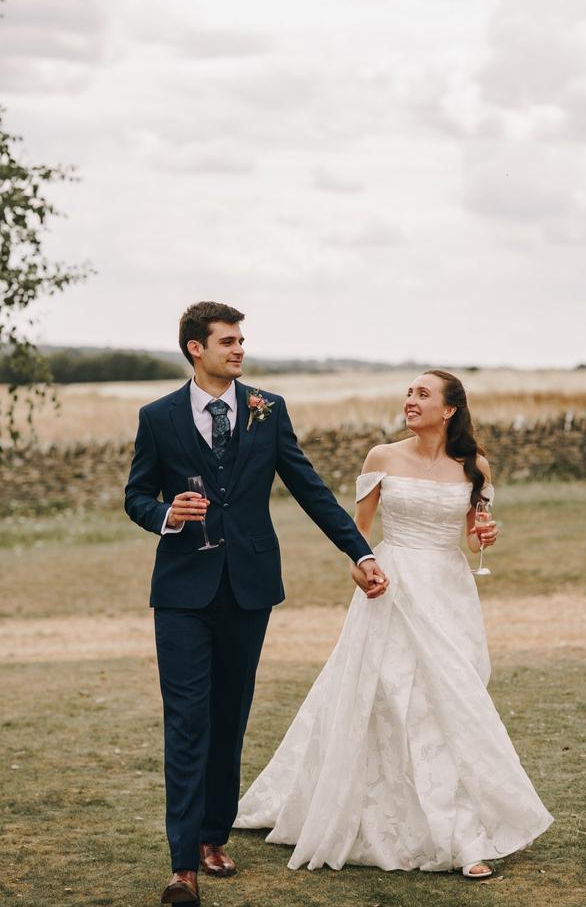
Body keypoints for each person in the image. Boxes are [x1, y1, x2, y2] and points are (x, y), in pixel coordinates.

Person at [234, 370, 553, 878]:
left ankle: (460, 833)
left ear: (448, 410)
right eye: (408, 392)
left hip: (448, 594)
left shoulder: (475, 467)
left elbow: (475, 540)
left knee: (449, 704)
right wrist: (360, 570)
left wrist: (486, 532)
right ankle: (405, 823)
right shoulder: (382, 458)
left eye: (422, 394)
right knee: (386, 695)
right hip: (392, 585)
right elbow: (356, 533)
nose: (410, 400)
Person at [124, 301, 389, 906]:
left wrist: (361, 552)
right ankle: (182, 865)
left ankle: (215, 835)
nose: (239, 349)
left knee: (230, 714)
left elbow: (311, 489)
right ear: (196, 348)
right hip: (182, 593)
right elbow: (137, 495)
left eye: (242, 340)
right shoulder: (158, 417)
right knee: (187, 719)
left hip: (249, 588)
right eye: (227, 341)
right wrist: (164, 514)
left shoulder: (268, 411)